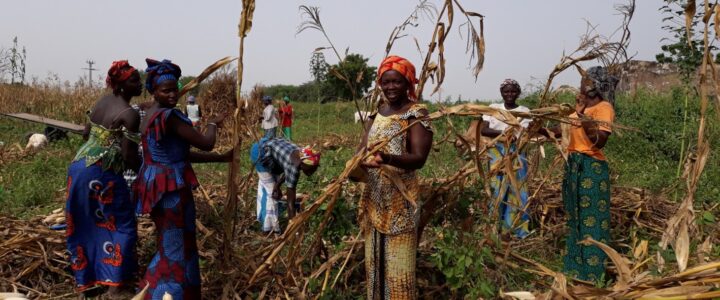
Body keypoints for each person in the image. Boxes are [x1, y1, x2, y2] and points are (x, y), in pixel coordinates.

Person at [134, 59, 231, 299]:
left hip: (157, 186)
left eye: (174, 88)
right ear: (153, 91)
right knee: (176, 248)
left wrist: (222, 159)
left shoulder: (150, 114)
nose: (172, 94)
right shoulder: (170, 116)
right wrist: (212, 123)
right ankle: (164, 294)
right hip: (171, 192)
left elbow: (179, 154)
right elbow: (206, 143)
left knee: (174, 243)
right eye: (165, 90)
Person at [357, 55, 433, 299]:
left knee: (399, 273)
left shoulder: (416, 114)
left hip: (401, 202)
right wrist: (355, 165)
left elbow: (419, 158)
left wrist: (387, 158)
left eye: (397, 82)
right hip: (375, 201)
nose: (390, 87)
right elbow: (362, 151)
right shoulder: (375, 115)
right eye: (385, 82)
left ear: (408, 83)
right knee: (375, 266)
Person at [65, 60, 142, 298]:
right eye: (133, 80)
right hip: (102, 172)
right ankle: (116, 288)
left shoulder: (103, 101)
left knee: (85, 223)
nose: (140, 84)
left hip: (78, 166)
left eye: (139, 79)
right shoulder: (129, 114)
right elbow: (129, 156)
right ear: (120, 85)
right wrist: (149, 170)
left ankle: (87, 280)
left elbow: (87, 133)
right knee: (124, 226)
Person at [543, 66, 617, 283]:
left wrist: (583, 114)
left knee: (593, 218)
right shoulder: (577, 111)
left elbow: (600, 140)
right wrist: (534, 125)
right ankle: (576, 268)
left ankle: (595, 273)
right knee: (575, 217)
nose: (581, 85)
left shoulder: (604, 108)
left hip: (591, 168)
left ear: (595, 85)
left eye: (585, 81)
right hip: (574, 165)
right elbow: (557, 131)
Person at [480, 79, 532, 238]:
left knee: (518, 190)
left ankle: (516, 230)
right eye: (506, 91)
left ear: (518, 92)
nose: (509, 94)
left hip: (517, 152)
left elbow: (525, 133)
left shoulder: (525, 111)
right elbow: (484, 131)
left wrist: (511, 137)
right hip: (496, 152)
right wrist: (505, 135)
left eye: (513, 91)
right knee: (496, 189)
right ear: (501, 92)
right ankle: (494, 229)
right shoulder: (493, 109)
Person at [250, 137, 320, 230]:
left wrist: (277, 185)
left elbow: (287, 170)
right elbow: (290, 203)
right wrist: (292, 225)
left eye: (315, 168)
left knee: (272, 186)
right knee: (270, 193)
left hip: (269, 146)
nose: (312, 172)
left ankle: (263, 217)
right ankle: (269, 228)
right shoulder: (293, 167)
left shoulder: (300, 153)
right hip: (259, 152)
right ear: (301, 164)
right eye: (310, 168)